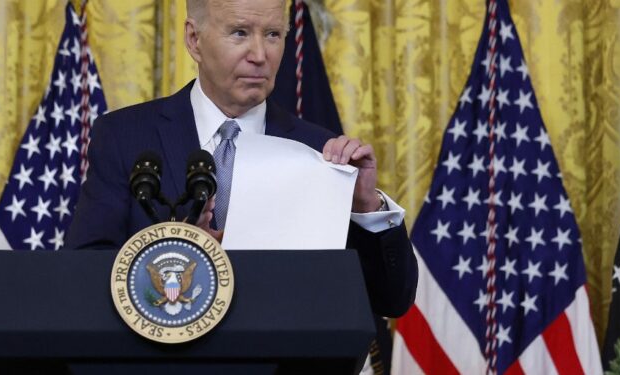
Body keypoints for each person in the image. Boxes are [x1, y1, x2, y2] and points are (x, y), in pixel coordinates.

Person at [65, 0, 416, 318]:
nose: (260, 54)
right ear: (193, 39)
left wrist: (367, 208)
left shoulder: (320, 151)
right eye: (240, 33)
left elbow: (391, 300)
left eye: (274, 34)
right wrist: (179, 252)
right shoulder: (124, 137)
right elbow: (83, 275)